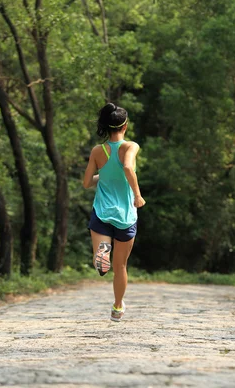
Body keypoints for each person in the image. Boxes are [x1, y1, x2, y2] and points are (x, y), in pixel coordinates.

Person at [82, 103, 145, 322]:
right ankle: (118, 306)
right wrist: (137, 195)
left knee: (102, 255)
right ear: (125, 126)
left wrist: (104, 176)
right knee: (120, 266)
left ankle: (102, 254)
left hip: (102, 212)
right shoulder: (131, 146)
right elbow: (127, 167)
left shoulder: (98, 151)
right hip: (125, 215)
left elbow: (87, 182)